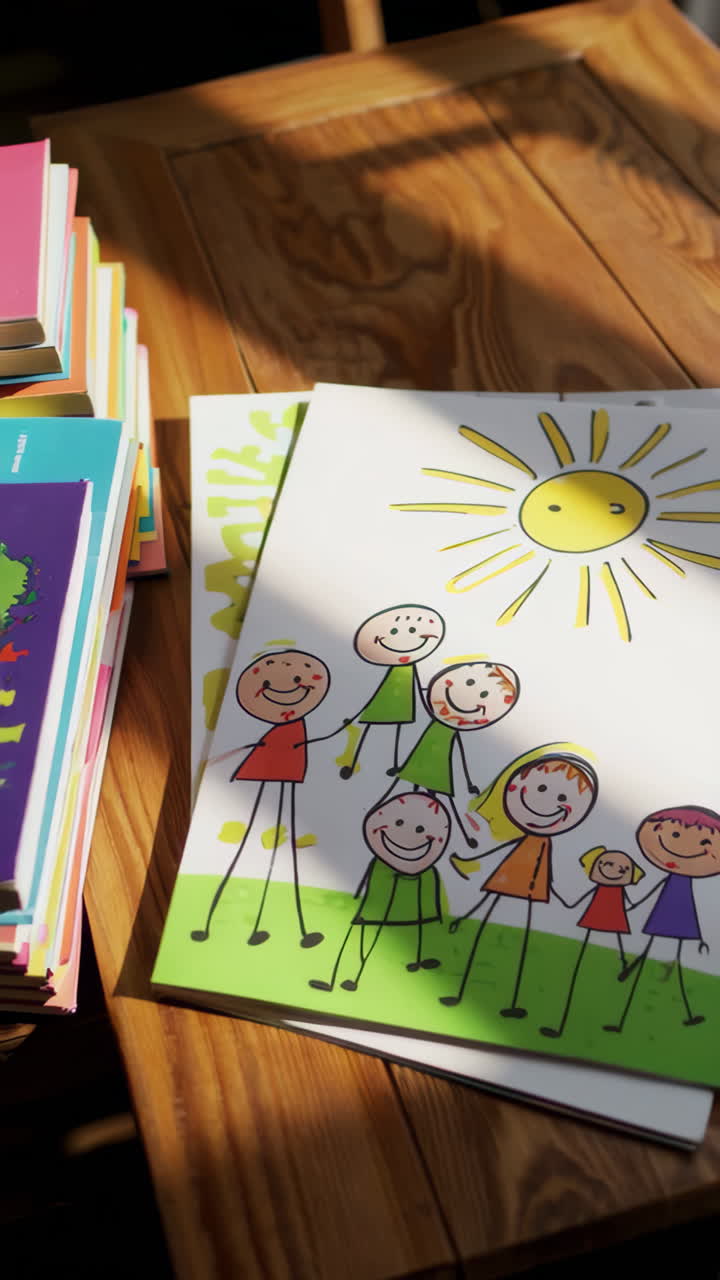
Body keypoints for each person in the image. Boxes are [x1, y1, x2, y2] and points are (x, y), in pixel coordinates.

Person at [191, 649, 330, 949]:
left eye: (298, 677)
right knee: (256, 834)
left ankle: (252, 924)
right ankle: (214, 921)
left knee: (281, 835)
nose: (288, 685)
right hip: (268, 764)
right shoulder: (283, 725)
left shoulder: (295, 726)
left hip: (286, 766)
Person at [443, 748, 598, 1018]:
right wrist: (469, 859)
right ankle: (460, 990)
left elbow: (547, 873)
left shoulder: (543, 844)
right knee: (484, 928)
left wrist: (561, 896)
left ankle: (511, 1000)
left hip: (528, 887)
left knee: (519, 940)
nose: (547, 802)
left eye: (562, 797)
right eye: (539, 787)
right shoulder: (527, 839)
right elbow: (498, 853)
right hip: (507, 879)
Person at [309, 792, 450, 993]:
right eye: (399, 822)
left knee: (413, 929)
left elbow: (429, 892)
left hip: (409, 909)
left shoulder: (427, 873)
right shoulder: (379, 867)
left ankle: (418, 959)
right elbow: (367, 881)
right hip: (376, 908)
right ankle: (341, 977)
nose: (408, 834)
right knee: (365, 936)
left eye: (420, 829)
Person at [603, 805, 720, 1033]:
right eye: (674, 835)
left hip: (680, 918)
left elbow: (683, 904)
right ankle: (622, 1020)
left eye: (704, 843)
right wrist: (633, 905)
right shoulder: (674, 882)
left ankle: (685, 1011)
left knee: (673, 962)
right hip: (665, 916)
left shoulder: (684, 886)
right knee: (655, 954)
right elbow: (654, 893)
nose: (684, 848)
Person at [384, 659, 520, 848]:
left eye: (483, 695)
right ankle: (410, 820)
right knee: (413, 789)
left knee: (436, 796)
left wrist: (468, 782)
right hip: (421, 757)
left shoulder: (452, 729)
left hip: (438, 764)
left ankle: (455, 833)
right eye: (470, 682)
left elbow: (459, 752)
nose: (471, 696)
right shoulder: (435, 716)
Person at [540, 846, 644, 1039]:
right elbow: (576, 903)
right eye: (608, 865)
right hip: (596, 920)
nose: (614, 871)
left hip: (613, 921)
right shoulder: (600, 888)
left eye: (622, 870)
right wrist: (558, 894)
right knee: (580, 963)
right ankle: (561, 1025)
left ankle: (623, 964)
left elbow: (631, 905)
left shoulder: (619, 892)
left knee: (604, 958)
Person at [336, 604, 445, 778]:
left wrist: (429, 707)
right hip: (385, 699)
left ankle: (394, 763)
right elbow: (376, 692)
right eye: (393, 632)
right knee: (371, 727)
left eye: (412, 630)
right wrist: (356, 715)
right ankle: (353, 761)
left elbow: (417, 684)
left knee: (397, 731)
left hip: (403, 701)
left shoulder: (410, 668)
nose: (407, 637)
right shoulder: (396, 669)